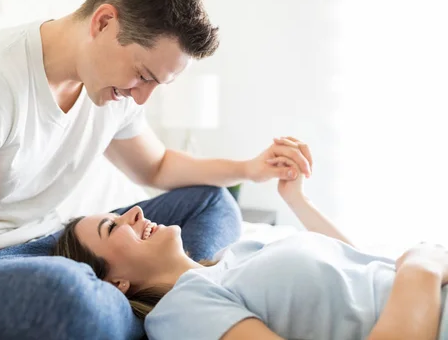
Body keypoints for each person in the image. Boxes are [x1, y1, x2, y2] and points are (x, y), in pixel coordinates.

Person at [0, 0, 314, 340]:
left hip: (61, 239)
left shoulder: (111, 89)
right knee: (72, 299)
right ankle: (178, 309)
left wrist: (249, 169)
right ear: (104, 22)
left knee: (213, 203)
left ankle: (160, 304)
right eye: (143, 74)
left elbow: (155, 168)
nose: (141, 96)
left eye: (157, 83)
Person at [54, 142, 448, 340]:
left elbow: (355, 264)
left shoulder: (232, 257)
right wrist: (421, 269)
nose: (135, 212)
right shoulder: (181, 312)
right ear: (116, 283)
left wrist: (295, 199)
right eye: (113, 226)